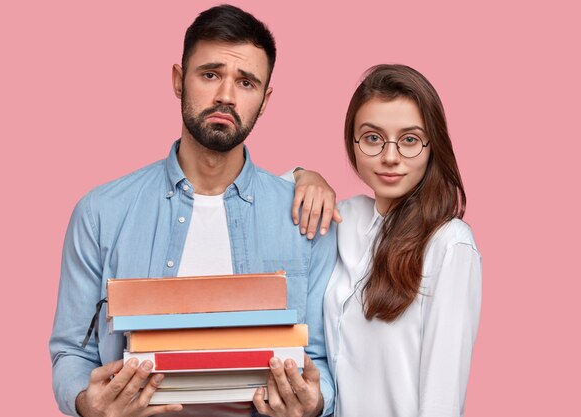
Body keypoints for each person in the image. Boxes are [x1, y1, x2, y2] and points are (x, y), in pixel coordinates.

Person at [49, 5, 336, 417]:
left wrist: (315, 402)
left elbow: (324, 361)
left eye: (246, 82)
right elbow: (70, 351)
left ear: (265, 99)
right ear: (179, 81)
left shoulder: (306, 218)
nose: (226, 95)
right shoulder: (100, 213)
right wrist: (84, 402)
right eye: (210, 74)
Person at [292, 64, 482, 416]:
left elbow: (442, 396)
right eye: (372, 137)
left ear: (432, 145)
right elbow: (264, 194)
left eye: (409, 139)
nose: (390, 156)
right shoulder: (344, 220)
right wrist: (306, 175)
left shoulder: (449, 244)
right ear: (352, 142)